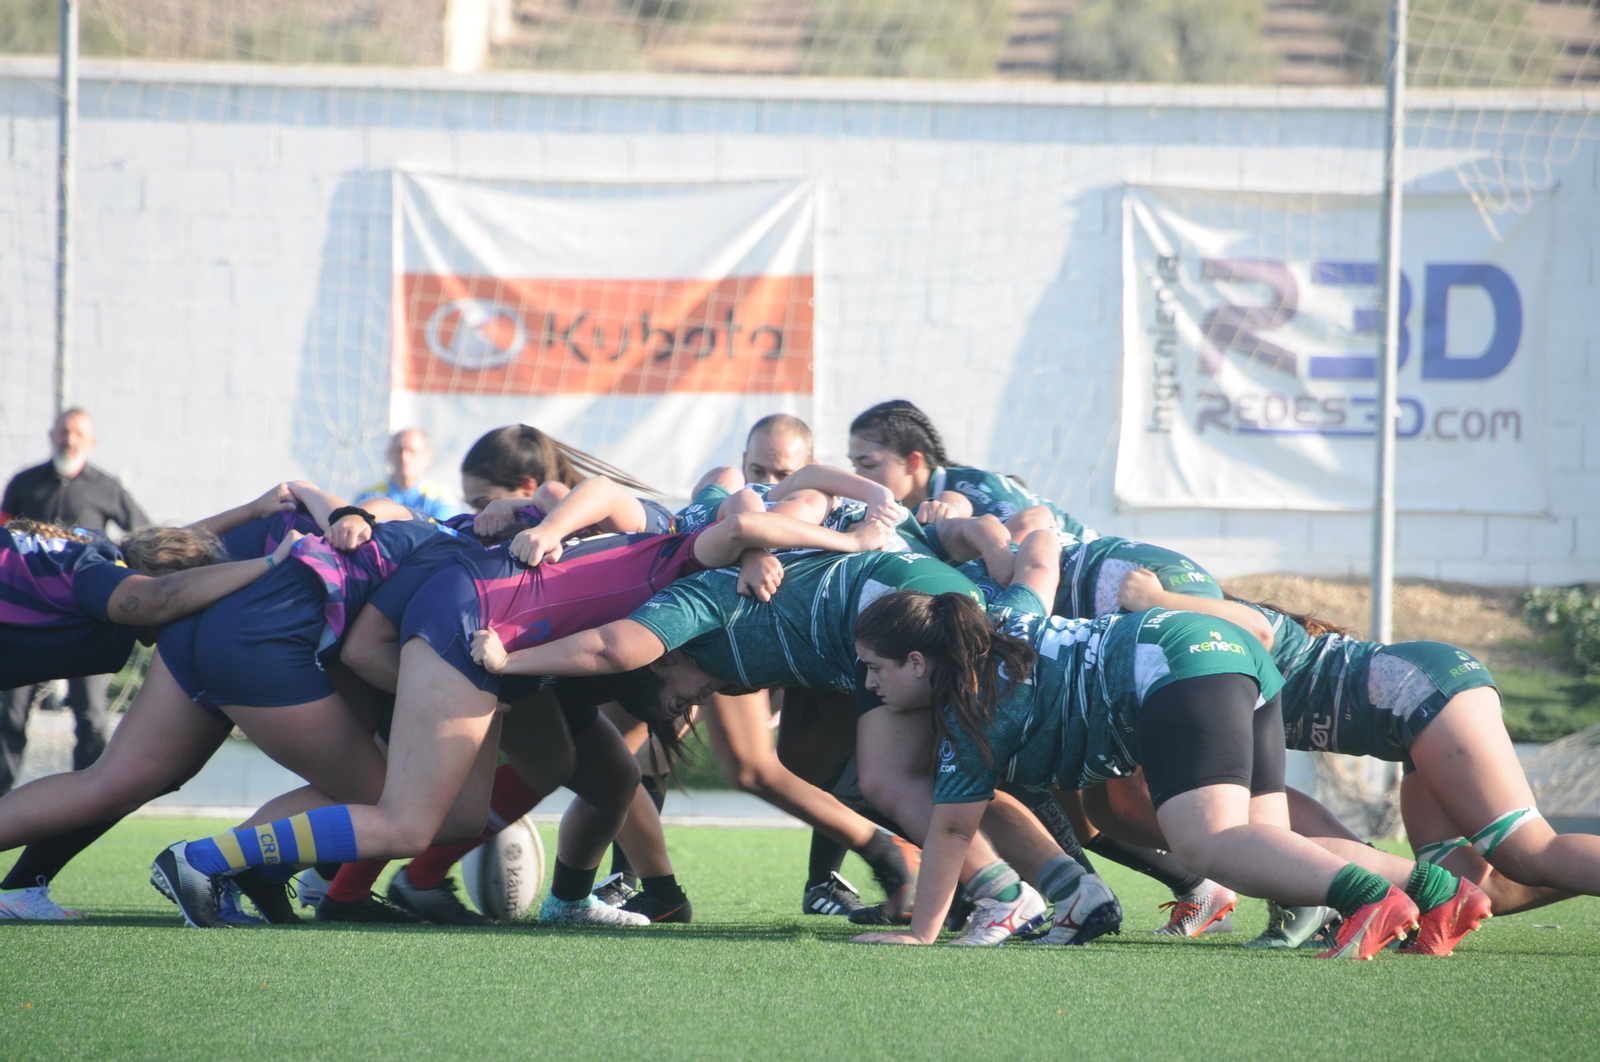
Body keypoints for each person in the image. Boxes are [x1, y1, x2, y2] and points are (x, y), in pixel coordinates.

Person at [846, 587, 1491, 959]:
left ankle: (1369, 898)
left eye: (874, 669)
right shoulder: (994, 621)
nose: (870, 686)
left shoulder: (969, 709)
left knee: (1202, 840)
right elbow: (1032, 566)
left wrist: (921, 934)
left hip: (1173, 664)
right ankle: (1441, 893)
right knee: (1266, 845)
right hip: (1221, 647)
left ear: (917, 661)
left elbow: (953, 832)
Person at [1, 408, 152, 793]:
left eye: (78, 434)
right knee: (10, 715)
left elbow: (145, 536)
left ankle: (90, 796)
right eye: (64, 432)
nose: (70, 440)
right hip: (28, 621)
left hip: (86, 622)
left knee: (91, 715)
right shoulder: (25, 482)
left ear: (91, 441)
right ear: (51, 434)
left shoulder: (106, 487)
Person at [356, 428, 459, 521]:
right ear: (389, 454)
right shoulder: (369, 497)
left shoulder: (441, 499)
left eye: (412, 451)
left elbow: (443, 537)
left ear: (428, 457)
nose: (404, 457)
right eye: (399, 450)